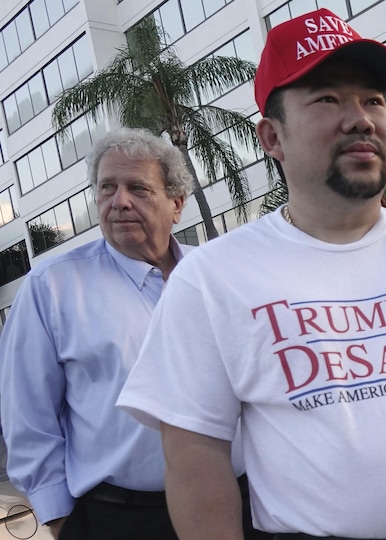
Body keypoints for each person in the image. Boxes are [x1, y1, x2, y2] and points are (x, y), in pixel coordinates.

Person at [116, 8, 386, 540]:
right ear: (272, 137)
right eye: (327, 99)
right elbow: (194, 457)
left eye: (373, 100)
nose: (361, 118)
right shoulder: (211, 278)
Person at [0, 128, 265, 540]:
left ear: (176, 204)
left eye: (137, 188)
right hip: (120, 520)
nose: (118, 201)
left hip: (238, 507)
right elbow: (27, 417)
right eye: (107, 188)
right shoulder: (52, 287)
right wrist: (60, 520)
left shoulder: (218, 276)